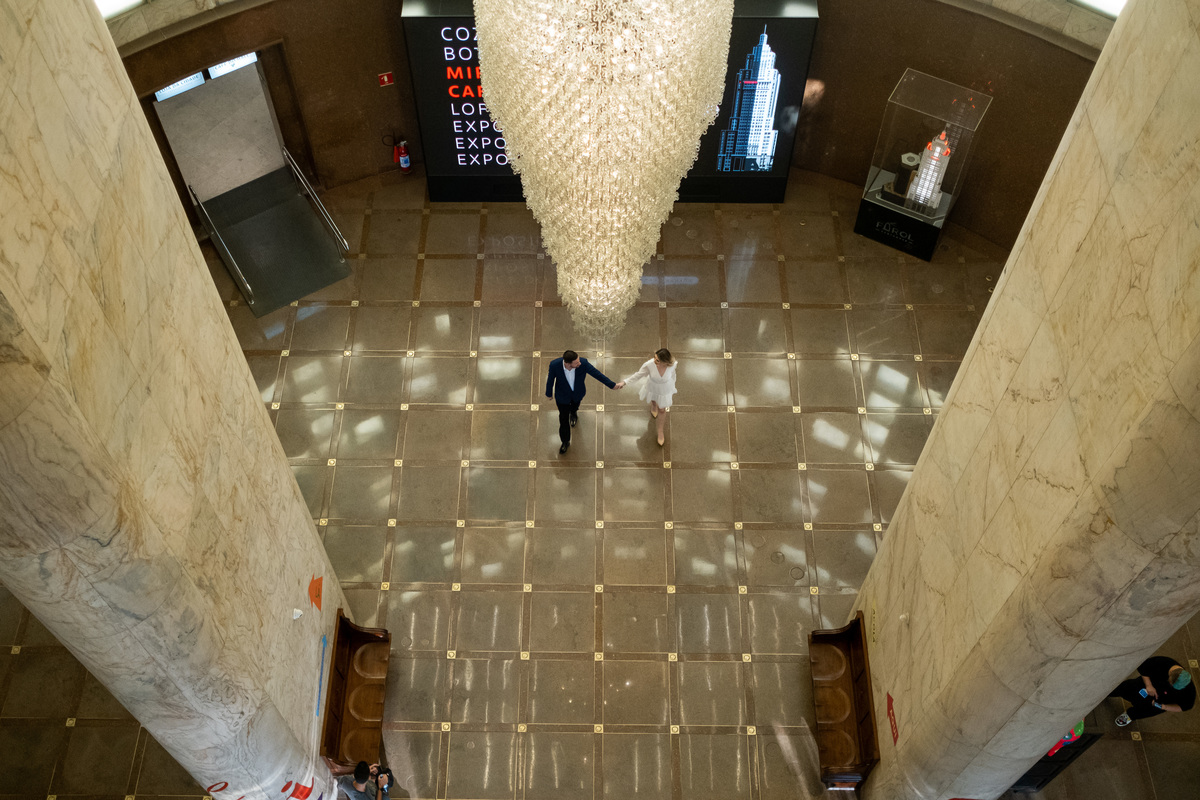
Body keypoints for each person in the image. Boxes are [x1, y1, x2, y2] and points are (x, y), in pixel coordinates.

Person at [545, 349, 624, 454]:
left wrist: (612, 385)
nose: (579, 363)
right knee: (563, 420)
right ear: (568, 363)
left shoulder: (583, 363)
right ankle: (565, 441)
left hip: (577, 394)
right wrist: (549, 393)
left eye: (578, 360)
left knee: (574, 407)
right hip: (562, 397)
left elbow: (597, 374)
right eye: (576, 362)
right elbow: (550, 379)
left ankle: (573, 413)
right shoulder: (554, 365)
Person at [1109, 656, 1195, 726]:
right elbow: (1143, 667)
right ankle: (1107, 693)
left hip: (1159, 702)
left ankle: (1130, 715)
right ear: (1171, 673)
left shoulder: (1189, 690)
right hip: (1144, 686)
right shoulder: (1163, 662)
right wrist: (1149, 685)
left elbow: (1184, 706)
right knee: (1124, 688)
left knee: (1143, 711)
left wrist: (1164, 707)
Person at [622, 348, 678, 446]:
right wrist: (625, 382)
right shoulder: (649, 365)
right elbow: (638, 375)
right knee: (653, 399)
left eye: (657, 360)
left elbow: (673, 375)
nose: (654, 360)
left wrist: (671, 387)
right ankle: (653, 405)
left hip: (664, 388)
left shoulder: (672, 365)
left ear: (665, 361)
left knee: (662, 410)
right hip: (652, 386)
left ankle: (660, 431)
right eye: (654, 357)